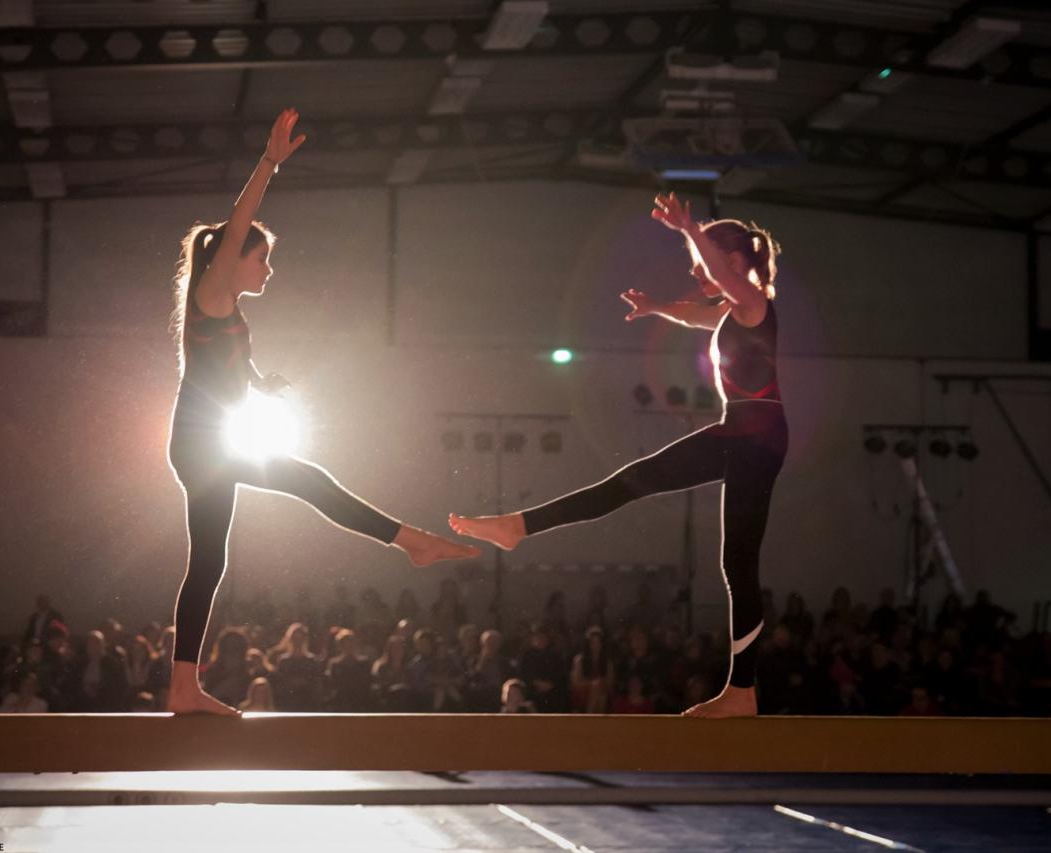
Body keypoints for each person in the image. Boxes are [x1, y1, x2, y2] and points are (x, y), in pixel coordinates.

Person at [164, 108, 479, 714]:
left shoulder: (221, 309)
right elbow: (236, 228)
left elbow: (219, 369)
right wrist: (269, 164)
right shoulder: (211, 289)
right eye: (262, 258)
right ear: (234, 261)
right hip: (202, 443)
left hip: (204, 440)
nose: (269, 268)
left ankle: (183, 686)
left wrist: (260, 382)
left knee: (211, 556)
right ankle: (409, 540)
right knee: (307, 483)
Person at [451, 193, 785, 718]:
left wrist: (688, 228)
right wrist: (656, 308)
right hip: (744, 433)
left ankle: (743, 692)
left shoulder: (753, 301)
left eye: (706, 268)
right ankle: (518, 526)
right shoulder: (734, 309)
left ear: (734, 262)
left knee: (733, 558)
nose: (701, 278)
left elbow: (718, 282)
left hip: (754, 437)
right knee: (644, 491)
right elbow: (699, 313)